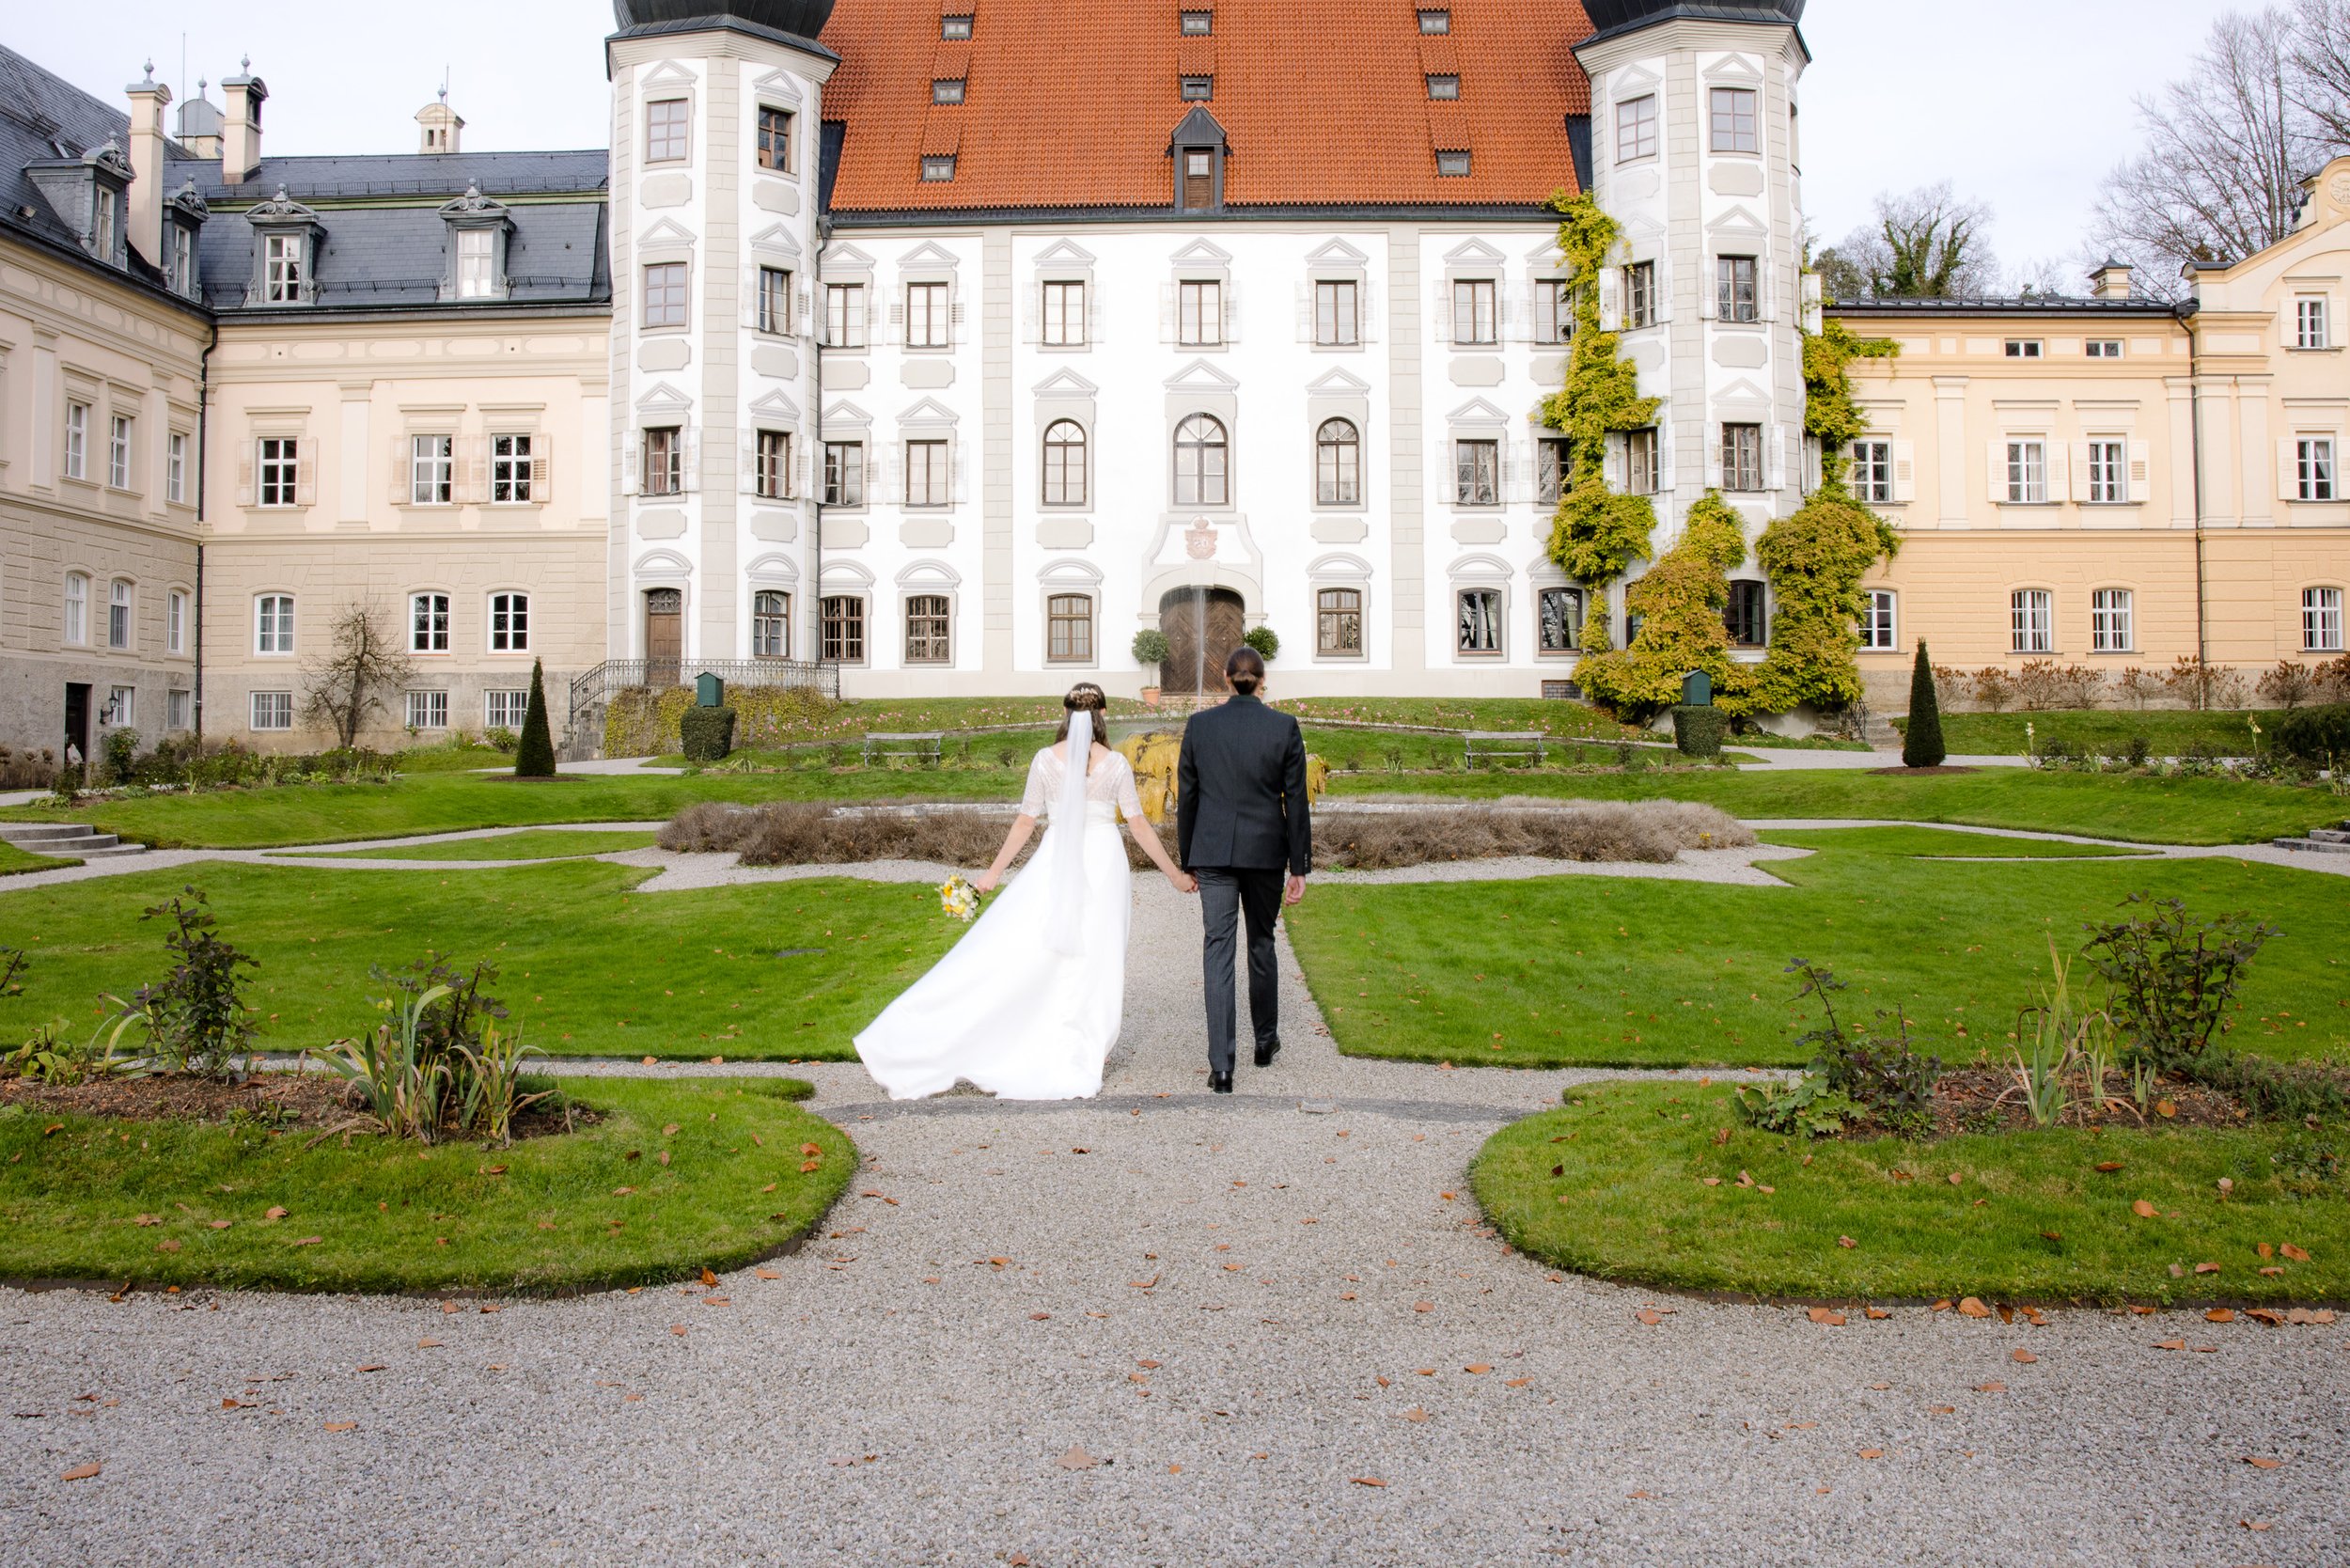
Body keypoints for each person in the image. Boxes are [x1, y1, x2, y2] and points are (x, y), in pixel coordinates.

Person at [854, 683, 1196, 1100]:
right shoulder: (1117, 764)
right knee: (1099, 950)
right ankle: (1086, 1041)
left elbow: (1025, 821)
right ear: (1103, 714)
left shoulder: (1045, 760)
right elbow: (1138, 825)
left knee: (1040, 945)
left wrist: (992, 875)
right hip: (1104, 862)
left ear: (1065, 714)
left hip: (1055, 858)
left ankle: (1038, 1031)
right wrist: (1174, 875)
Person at [1176, 646, 1312, 1094]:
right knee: (1261, 943)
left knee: (1217, 950)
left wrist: (1188, 859)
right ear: (1263, 680)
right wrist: (1299, 865)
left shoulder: (1200, 726)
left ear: (1225, 677)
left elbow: (1188, 797)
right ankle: (1265, 1041)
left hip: (1213, 851)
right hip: (1265, 852)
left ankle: (1222, 1067)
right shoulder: (1283, 726)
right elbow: (1296, 800)